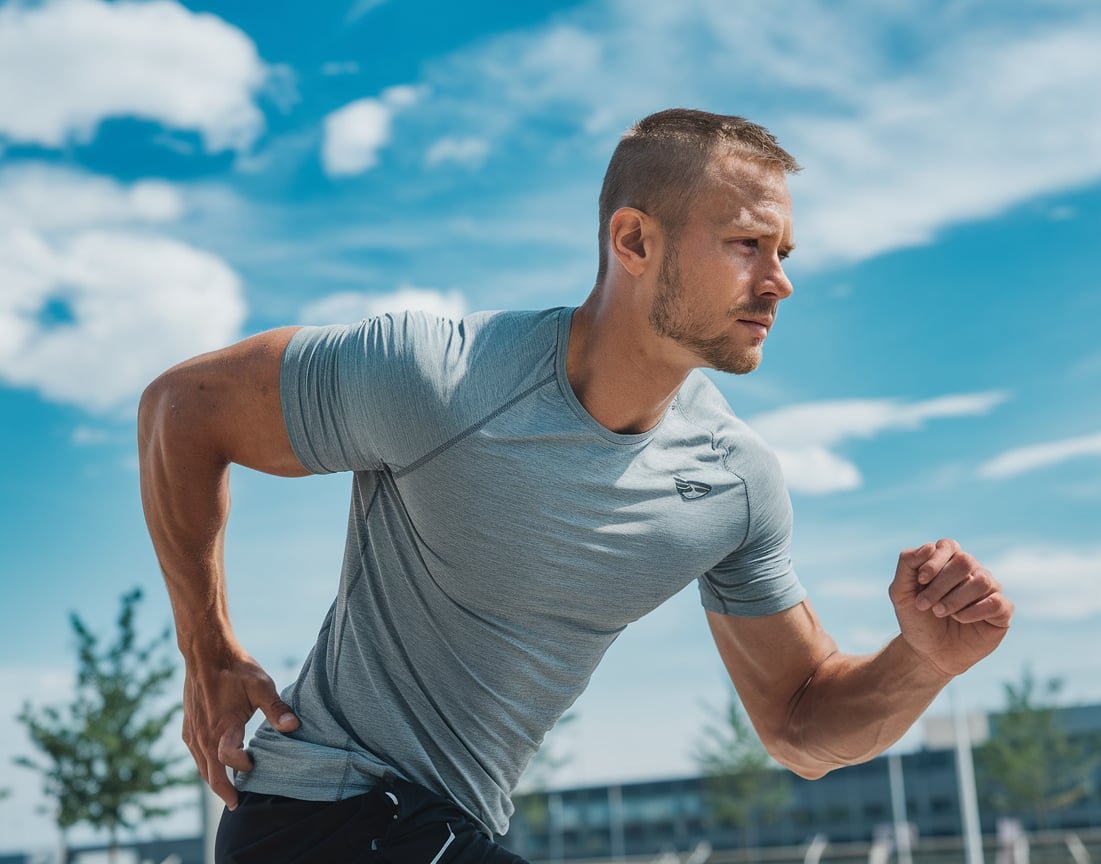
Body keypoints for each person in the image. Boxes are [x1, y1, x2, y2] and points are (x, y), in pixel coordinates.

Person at [138, 108, 1013, 863]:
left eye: (782, 251)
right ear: (634, 241)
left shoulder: (734, 483)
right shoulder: (439, 378)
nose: (779, 280)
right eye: (746, 245)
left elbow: (798, 724)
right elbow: (183, 409)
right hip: (320, 819)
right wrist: (205, 648)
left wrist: (922, 661)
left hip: (444, 827)